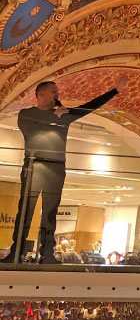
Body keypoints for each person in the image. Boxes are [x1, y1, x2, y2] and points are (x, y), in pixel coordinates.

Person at [2, 77, 127, 264]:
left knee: (50, 212)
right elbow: (32, 130)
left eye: (57, 91)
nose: (57, 94)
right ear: (41, 94)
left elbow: (89, 106)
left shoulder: (64, 114)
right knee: (25, 210)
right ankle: (16, 251)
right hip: (34, 166)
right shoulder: (27, 114)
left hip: (56, 167)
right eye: (53, 91)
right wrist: (55, 117)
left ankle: (47, 254)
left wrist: (115, 90)